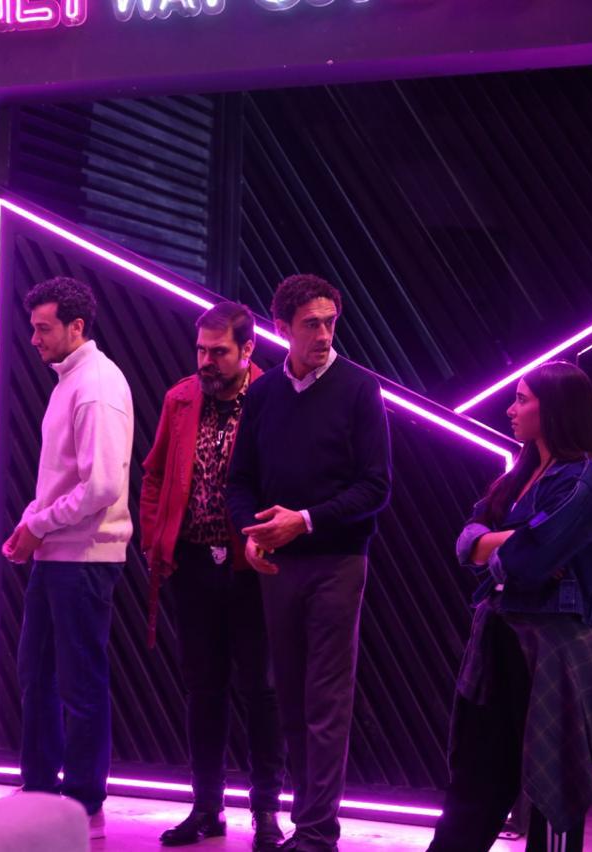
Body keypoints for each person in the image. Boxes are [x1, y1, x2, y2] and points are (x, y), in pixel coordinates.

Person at [428, 361, 592, 852]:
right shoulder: (518, 475)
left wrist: (502, 545)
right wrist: (512, 540)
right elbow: (466, 542)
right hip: (499, 638)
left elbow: (527, 562)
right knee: (476, 777)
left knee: (552, 788)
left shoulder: (582, 480)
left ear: (553, 408)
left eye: (522, 399)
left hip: (551, 646)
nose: (510, 409)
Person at [227, 274, 392, 852]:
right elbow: (240, 481)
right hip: (277, 566)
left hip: (337, 561)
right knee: (290, 697)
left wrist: (304, 519)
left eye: (330, 322)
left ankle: (318, 833)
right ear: (282, 329)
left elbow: (376, 487)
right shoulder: (264, 394)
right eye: (311, 324)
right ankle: (307, 825)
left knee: (325, 700)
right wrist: (251, 535)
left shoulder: (359, 389)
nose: (324, 334)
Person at [140, 301, 285, 851]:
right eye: (200, 350)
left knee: (261, 689)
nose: (205, 360)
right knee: (203, 688)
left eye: (218, 351)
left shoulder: (273, 398)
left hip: (253, 565)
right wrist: (156, 538)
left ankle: (266, 811)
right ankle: (206, 807)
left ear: (248, 349)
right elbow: (154, 475)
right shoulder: (181, 398)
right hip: (193, 562)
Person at [2, 276, 134, 840]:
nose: (34, 339)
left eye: (43, 328)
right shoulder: (70, 380)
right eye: (33, 327)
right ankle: (38, 792)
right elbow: (63, 477)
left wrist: (37, 524)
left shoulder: (96, 384)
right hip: (59, 553)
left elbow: (101, 487)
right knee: (36, 675)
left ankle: (83, 803)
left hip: (85, 557)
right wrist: (30, 522)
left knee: (79, 684)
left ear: (76, 327)